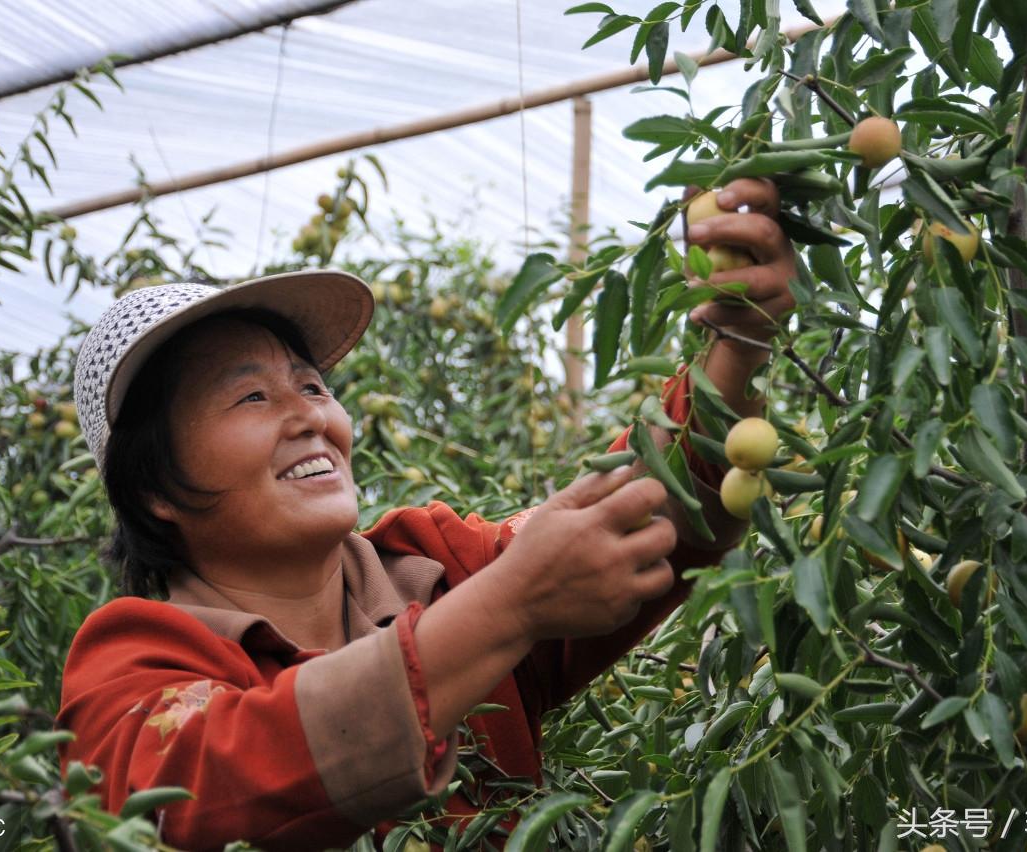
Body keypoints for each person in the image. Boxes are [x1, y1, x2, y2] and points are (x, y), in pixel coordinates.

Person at [55, 177, 796, 851]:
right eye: (251, 397)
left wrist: (731, 350)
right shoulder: (131, 664)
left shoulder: (435, 567)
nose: (309, 417)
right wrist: (507, 610)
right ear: (155, 484)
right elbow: (201, 793)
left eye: (312, 387)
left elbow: (632, 522)